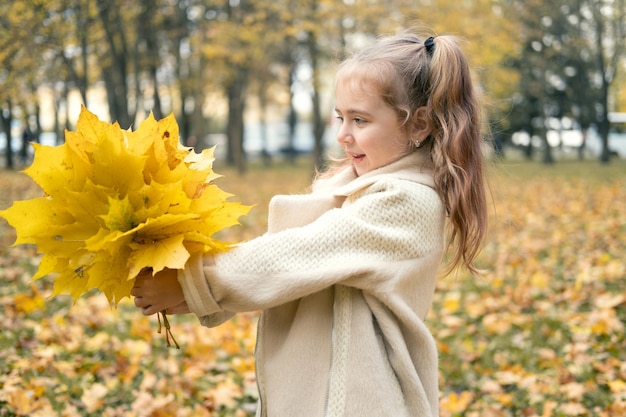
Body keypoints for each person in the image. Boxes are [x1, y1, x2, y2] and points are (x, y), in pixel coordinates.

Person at [131, 31, 488, 417]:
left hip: (362, 401)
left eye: (360, 120)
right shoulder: (346, 186)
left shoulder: (406, 202)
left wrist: (191, 281)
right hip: (314, 396)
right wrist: (185, 293)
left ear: (418, 125)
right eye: (341, 117)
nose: (343, 134)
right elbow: (286, 272)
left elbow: (295, 256)